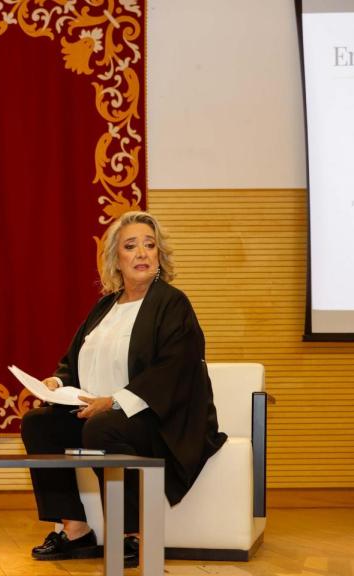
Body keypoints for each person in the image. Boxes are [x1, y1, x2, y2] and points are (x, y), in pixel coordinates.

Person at [20, 211, 227, 567]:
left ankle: (130, 534)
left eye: (150, 246)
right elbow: (76, 359)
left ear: (159, 255)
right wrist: (57, 382)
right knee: (39, 423)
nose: (142, 253)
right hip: (99, 413)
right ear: (117, 257)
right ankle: (74, 530)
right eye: (131, 246)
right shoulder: (105, 307)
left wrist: (114, 402)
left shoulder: (172, 303)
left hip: (157, 418)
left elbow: (174, 368)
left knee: (102, 427)